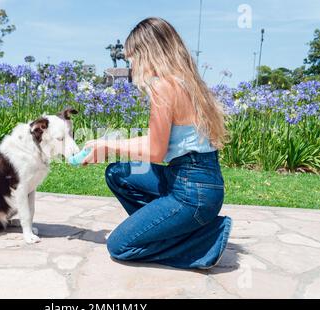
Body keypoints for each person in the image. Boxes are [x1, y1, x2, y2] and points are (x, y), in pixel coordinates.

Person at [83, 17, 232, 269]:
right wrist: (107, 143)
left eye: (132, 57)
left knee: (119, 246)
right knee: (118, 173)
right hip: (197, 184)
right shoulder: (186, 82)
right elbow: (155, 140)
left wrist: (108, 147)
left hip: (191, 194)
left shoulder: (163, 86)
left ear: (148, 53)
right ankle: (168, 228)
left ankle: (207, 239)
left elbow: (155, 151)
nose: (130, 64)